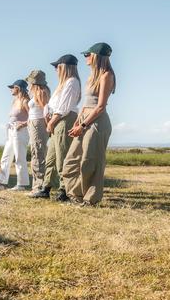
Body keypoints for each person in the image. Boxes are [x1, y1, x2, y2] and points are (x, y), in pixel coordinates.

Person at [62, 43, 116, 206]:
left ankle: (90, 199)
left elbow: (100, 106)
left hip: (97, 121)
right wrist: (78, 120)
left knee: (90, 162)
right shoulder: (92, 76)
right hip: (84, 119)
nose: (85, 57)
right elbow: (86, 103)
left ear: (96, 56)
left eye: (88, 55)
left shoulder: (106, 75)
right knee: (71, 161)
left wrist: (83, 125)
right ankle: (75, 195)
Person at [38, 54, 81, 201]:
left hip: (64, 120)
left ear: (65, 67)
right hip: (57, 120)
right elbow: (52, 105)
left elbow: (64, 107)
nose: (55, 69)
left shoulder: (72, 82)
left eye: (57, 66)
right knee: (51, 157)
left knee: (62, 156)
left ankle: (65, 190)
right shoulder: (63, 84)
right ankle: (46, 188)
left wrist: (51, 122)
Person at [0, 80, 30, 191]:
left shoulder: (25, 101)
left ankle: (21, 185)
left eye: (12, 87)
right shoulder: (14, 101)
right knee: (5, 157)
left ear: (18, 88)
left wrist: (22, 124)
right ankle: (1, 183)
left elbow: (32, 117)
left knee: (19, 158)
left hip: (21, 131)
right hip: (11, 131)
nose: (11, 90)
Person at [26, 70, 51, 197]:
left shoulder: (41, 92)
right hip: (34, 123)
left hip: (38, 123)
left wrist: (48, 125)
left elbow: (46, 110)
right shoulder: (36, 92)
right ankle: (36, 185)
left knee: (38, 153)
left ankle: (39, 186)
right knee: (36, 153)